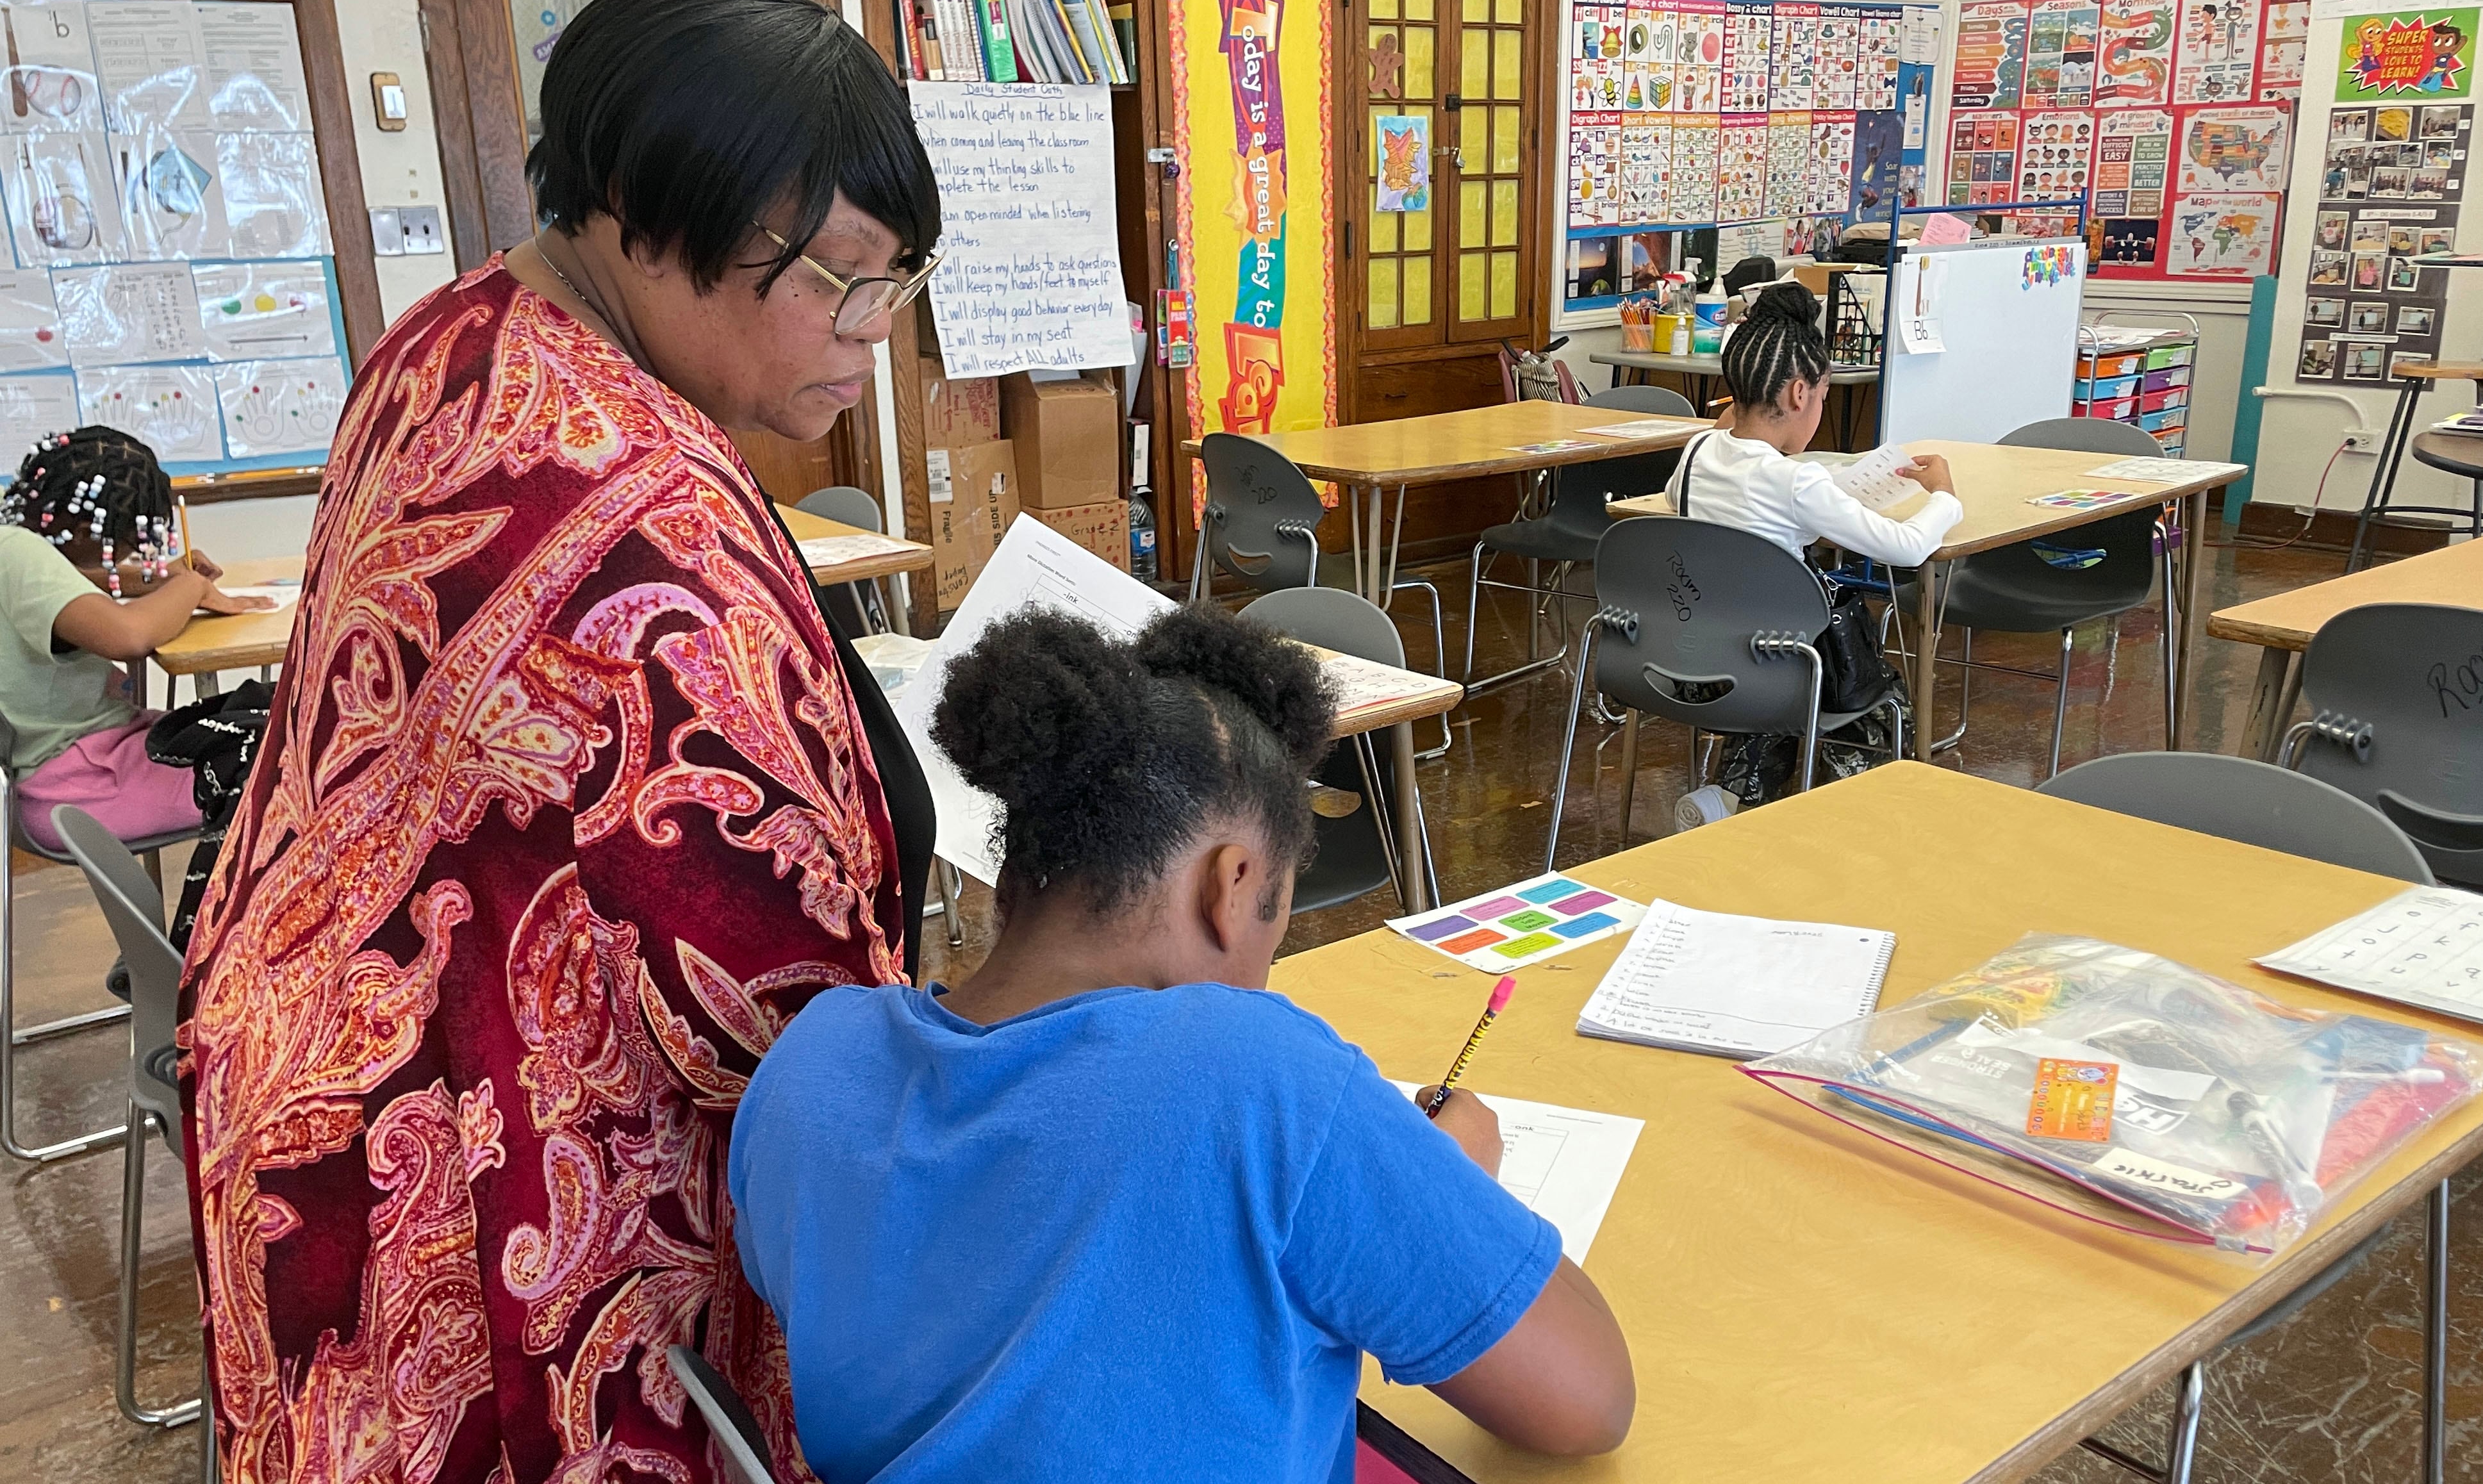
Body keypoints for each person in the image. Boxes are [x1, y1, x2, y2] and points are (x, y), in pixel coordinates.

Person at [180, 0, 938, 1484]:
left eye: (901, 282)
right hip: (488, 1198)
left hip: (316, 1078)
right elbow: (797, 1042)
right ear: (635, 211)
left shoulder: (454, 330)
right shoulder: (646, 539)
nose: (877, 337)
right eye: (840, 282)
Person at [731, 606, 1635, 1481]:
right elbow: (1588, 1403)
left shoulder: (810, 1061)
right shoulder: (1253, 1079)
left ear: (1012, 881)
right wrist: (1446, 1179)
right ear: (1231, 885)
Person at [0, 426, 270, 852]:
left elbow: (74, 579)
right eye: (127, 544)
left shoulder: (13, 536)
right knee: (277, 764)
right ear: (90, 527)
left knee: (259, 710)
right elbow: (129, 635)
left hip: (84, 762)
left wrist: (162, 576)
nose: (127, 558)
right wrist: (191, 588)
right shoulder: (16, 551)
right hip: (78, 784)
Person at [1674, 282, 1961, 568]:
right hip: (1782, 613)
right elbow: (1907, 548)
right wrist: (1944, 495)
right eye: (1822, 397)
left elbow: (1679, 496)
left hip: (1696, 609)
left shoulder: (1697, 449)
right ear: (1799, 394)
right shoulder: (1798, 483)